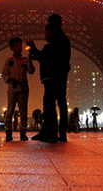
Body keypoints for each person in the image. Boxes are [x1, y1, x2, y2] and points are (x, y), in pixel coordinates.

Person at [28, 14, 71, 142]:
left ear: (52, 30)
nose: (44, 35)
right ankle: (60, 133)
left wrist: (34, 49)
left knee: (49, 103)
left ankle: (50, 132)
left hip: (52, 77)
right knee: (60, 103)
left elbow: (44, 57)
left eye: (46, 32)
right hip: (60, 76)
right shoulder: (63, 41)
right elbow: (44, 57)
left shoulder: (55, 44)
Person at [2, 37, 35, 141]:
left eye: (20, 45)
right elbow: (5, 75)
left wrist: (30, 59)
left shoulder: (25, 60)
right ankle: (8, 132)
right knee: (10, 111)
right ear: (12, 48)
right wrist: (11, 80)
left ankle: (22, 132)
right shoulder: (9, 61)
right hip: (13, 89)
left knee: (23, 112)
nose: (19, 47)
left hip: (22, 89)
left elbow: (31, 71)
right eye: (16, 45)